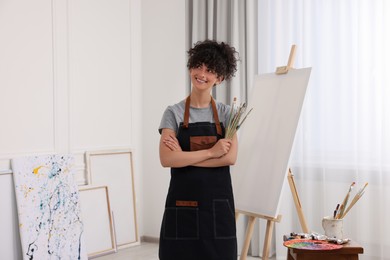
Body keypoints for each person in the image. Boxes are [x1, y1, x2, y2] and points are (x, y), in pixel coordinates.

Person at [158, 39, 239, 260]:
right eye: (199, 66)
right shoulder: (173, 113)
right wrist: (212, 152)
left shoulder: (227, 114)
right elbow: (166, 159)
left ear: (220, 78)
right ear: (191, 66)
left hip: (217, 209)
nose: (202, 74)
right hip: (182, 205)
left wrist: (182, 156)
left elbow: (230, 158)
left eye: (210, 70)